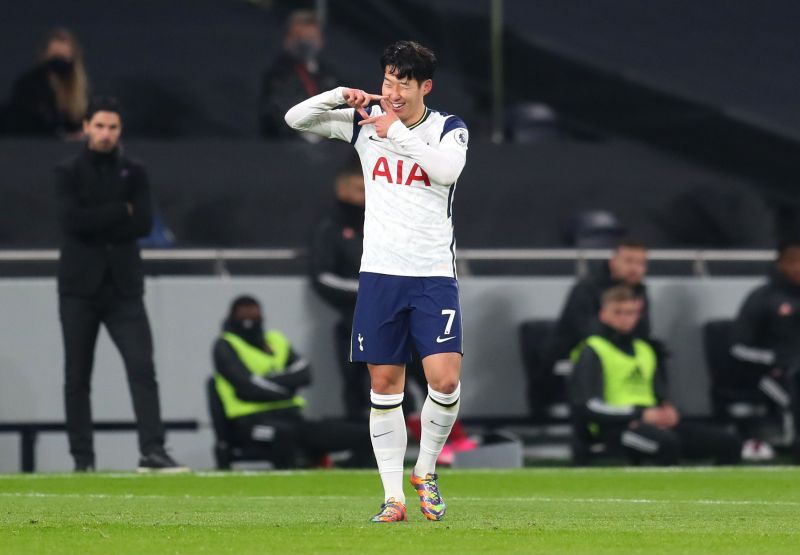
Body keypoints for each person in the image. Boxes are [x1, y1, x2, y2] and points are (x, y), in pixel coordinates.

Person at [285, 40, 469, 522]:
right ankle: (393, 497)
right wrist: (336, 95)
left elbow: (446, 172)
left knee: (445, 380)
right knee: (385, 385)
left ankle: (424, 470)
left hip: (432, 273)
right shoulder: (365, 123)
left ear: (424, 87)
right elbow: (295, 119)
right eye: (387, 81)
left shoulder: (449, 129)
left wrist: (397, 133)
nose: (391, 92)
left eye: (402, 84)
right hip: (381, 275)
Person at [56, 96, 186, 473]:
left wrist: (99, 217)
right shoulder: (67, 172)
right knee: (77, 376)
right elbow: (70, 222)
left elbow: (143, 224)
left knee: (142, 369)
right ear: (85, 128)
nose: (105, 134)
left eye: (112, 127)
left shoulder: (135, 171)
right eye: (99, 126)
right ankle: (83, 459)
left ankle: (153, 451)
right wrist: (118, 211)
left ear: (120, 131)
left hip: (123, 287)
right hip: (79, 288)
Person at [569, 286, 742, 465]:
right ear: (603, 314)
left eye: (631, 312)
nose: (625, 319)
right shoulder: (592, 350)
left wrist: (667, 411)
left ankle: (715, 493)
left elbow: (659, 394)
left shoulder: (644, 350)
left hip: (651, 423)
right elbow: (588, 406)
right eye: (618, 312)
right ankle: (664, 493)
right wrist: (638, 415)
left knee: (729, 442)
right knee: (666, 444)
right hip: (615, 429)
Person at [212, 295, 373, 468]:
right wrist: (287, 389)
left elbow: (304, 373)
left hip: (292, 418)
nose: (249, 318)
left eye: (254, 312)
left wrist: (268, 382)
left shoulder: (275, 340)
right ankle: (290, 486)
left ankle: (338, 478)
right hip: (248, 424)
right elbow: (247, 386)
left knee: (364, 434)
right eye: (244, 313)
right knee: (284, 436)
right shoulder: (225, 345)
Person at [533, 238, 656, 417]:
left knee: (652, 353)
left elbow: (643, 332)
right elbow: (584, 331)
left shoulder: (640, 291)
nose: (635, 269)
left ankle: (652, 406)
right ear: (613, 261)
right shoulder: (586, 288)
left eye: (641, 263)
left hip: (620, 350)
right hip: (580, 353)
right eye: (629, 261)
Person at [730, 238, 800, 462]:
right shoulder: (762, 298)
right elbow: (738, 349)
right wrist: (777, 360)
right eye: (793, 261)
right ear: (780, 264)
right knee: (795, 394)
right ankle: (793, 447)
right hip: (766, 375)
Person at [258, 10, 338, 140]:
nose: (306, 43)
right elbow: (274, 116)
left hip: (330, 149)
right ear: (287, 40)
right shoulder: (276, 77)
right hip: (289, 148)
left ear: (320, 40)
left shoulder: (330, 76)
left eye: (311, 38)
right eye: (299, 37)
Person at [4, 28, 89, 137]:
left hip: (69, 148)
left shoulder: (79, 89)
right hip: (35, 145)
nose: (59, 60)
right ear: (45, 55)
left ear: (72, 57)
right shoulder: (28, 86)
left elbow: (78, 121)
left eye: (63, 56)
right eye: (55, 55)